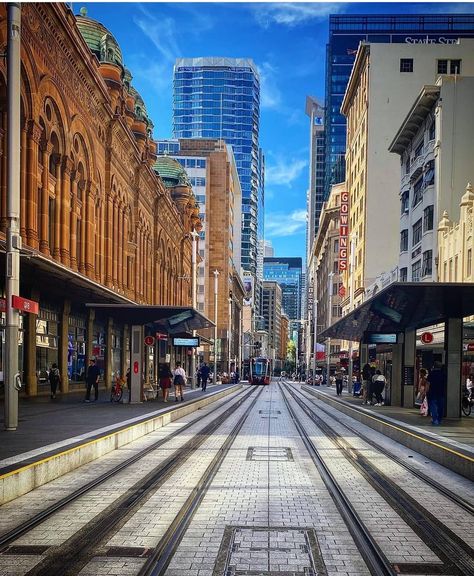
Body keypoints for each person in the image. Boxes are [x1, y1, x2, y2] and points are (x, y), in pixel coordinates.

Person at [426, 361, 445, 425]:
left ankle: (435, 419)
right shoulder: (443, 374)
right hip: (441, 392)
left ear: (434, 366)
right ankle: (439, 419)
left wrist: (426, 391)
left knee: (433, 406)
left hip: (432, 392)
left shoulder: (431, 374)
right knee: (440, 407)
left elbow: (428, 384)